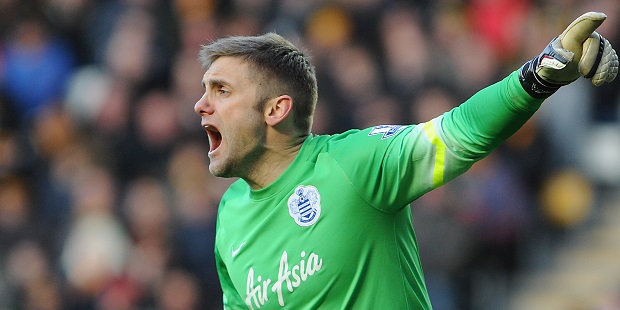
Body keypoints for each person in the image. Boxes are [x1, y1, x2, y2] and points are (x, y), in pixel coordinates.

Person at [193, 12, 618, 309]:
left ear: (275, 110)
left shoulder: (353, 163)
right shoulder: (230, 213)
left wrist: (540, 74)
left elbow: (461, 130)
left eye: (222, 90)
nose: (200, 105)